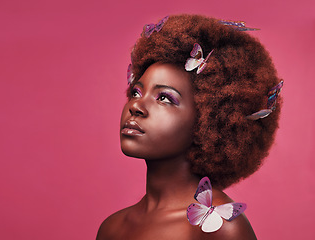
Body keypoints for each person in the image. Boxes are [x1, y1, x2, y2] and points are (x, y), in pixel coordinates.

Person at [96, 14, 282, 240]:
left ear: (209, 121)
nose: (136, 106)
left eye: (164, 98)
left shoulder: (219, 228)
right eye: (136, 92)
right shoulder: (112, 228)